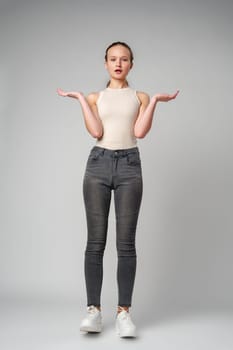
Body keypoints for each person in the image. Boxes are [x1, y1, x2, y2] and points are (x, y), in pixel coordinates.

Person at [57, 41, 179, 338]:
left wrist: (155, 103)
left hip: (129, 165)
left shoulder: (140, 96)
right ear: (106, 63)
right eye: (113, 59)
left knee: (126, 244)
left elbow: (139, 133)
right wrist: (80, 100)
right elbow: (97, 132)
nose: (118, 64)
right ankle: (93, 312)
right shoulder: (96, 96)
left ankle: (124, 313)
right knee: (95, 242)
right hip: (98, 164)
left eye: (124, 59)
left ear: (131, 64)